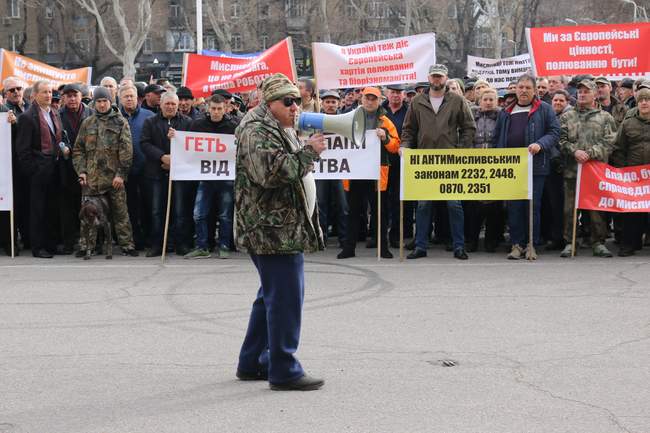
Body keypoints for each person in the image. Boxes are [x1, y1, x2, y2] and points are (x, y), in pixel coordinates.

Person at [235, 73, 327, 391]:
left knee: (270, 297)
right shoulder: (257, 129)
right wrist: (309, 153)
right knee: (286, 298)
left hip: (276, 226)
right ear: (269, 102)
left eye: (297, 101)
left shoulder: (276, 126)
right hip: (271, 230)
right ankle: (284, 368)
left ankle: (253, 361)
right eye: (288, 102)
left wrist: (302, 150)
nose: (294, 107)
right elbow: (271, 174)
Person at [402, 64, 476, 260]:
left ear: (446, 78)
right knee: (424, 205)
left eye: (440, 77)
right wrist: (405, 146)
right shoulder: (417, 101)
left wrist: (461, 150)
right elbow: (409, 130)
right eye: (434, 76)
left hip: (450, 161)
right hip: (424, 161)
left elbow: (469, 127)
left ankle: (459, 246)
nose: (437, 80)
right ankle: (420, 246)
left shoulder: (457, 100)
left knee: (454, 205)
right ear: (429, 77)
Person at [493, 73, 560, 260]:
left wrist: (540, 144)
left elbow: (554, 131)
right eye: (520, 87)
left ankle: (532, 244)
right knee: (514, 206)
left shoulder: (544, 109)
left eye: (527, 88)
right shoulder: (506, 112)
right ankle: (517, 244)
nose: (523, 91)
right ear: (515, 89)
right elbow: (497, 137)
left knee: (533, 206)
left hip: (536, 166)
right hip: (511, 168)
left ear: (534, 90)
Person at [72, 87, 138, 257]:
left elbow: (127, 150)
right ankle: (87, 245)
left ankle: (127, 245)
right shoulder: (87, 123)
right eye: (99, 102)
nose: (102, 105)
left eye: (105, 101)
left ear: (111, 102)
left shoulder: (120, 122)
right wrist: (82, 171)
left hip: (114, 178)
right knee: (89, 214)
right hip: (92, 179)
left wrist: (121, 174)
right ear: (94, 103)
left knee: (120, 212)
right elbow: (78, 150)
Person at [337, 87, 400, 259]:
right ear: (361, 99)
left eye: (374, 99)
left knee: (380, 212)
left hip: (377, 173)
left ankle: (383, 248)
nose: (370, 101)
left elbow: (395, 146)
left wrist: (385, 137)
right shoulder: (349, 119)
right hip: (355, 172)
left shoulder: (385, 122)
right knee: (353, 211)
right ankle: (349, 248)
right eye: (367, 98)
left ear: (379, 100)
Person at [558, 80, 617, 258]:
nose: (582, 94)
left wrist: (590, 153)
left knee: (595, 209)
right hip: (572, 171)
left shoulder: (605, 117)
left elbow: (610, 142)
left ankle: (598, 242)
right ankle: (570, 242)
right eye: (580, 91)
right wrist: (574, 151)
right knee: (569, 209)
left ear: (594, 94)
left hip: (595, 173)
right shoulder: (567, 117)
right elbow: (561, 140)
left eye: (586, 91)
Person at [183, 94, 238, 259]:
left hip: (226, 177)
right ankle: (202, 246)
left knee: (225, 215)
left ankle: (224, 245)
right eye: (213, 108)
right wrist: (174, 138)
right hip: (205, 176)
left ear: (226, 108)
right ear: (208, 108)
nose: (216, 112)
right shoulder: (198, 124)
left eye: (219, 109)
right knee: (199, 213)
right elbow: (187, 144)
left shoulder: (234, 125)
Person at [141, 91, 193, 257]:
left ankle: (180, 243)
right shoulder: (150, 122)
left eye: (173, 104)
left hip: (178, 174)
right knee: (156, 211)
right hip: (156, 172)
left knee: (179, 210)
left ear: (177, 106)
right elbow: (144, 143)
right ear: (161, 105)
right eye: (167, 104)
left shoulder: (186, 122)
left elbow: (191, 145)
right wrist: (162, 157)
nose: (170, 107)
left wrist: (175, 158)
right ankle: (157, 244)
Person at [15, 81, 64, 258]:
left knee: (52, 209)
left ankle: (51, 244)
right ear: (34, 95)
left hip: (54, 169)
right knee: (37, 211)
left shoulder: (55, 113)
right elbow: (23, 150)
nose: (48, 95)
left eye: (50, 92)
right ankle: (38, 247)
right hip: (38, 172)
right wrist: (33, 171)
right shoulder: (28, 117)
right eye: (44, 92)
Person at [610, 88, 650, 256]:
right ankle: (629, 244)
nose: (644, 102)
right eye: (641, 100)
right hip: (633, 176)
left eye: (647, 99)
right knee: (632, 212)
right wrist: (625, 170)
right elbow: (618, 149)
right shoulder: (628, 123)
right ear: (637, 102)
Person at [464, 87, 503, 252]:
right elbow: (466, 138)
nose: (488, 102)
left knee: (494, 206)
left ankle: (491, 240)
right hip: (475, 165)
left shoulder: (502, 118)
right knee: (474, 206)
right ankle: (471, 240)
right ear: (479, 101)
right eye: (485, 99)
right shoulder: (472, 117)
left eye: (491, 99)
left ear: (496, 101)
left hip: (495, 166)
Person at [59, 83, 94, 254]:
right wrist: (62, 146)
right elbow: (55, 138)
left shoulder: (91, 113)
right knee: (67, 207)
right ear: (64, 97)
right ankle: (68, 242)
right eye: (69, 96)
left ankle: (88, 243)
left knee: (88, 206)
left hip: (89, 167)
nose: (72, 99)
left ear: (81, 96)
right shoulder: (57, 115)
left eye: (75, 95)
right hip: (66, 168)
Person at [119, 84, 155, 251]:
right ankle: (135, 239)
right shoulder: (115, 117)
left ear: (138, 98)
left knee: (149, 205)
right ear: (120, 99)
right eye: (125, 96)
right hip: (125, 171)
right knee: (130, 207)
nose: (129, 99)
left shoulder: (149, 116)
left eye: (132, 96)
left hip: (147, 169)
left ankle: (150, 237)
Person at [314, 90, 348, 248]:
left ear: (338, 103)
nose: (330, 105)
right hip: (321, 168)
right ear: (322, 103)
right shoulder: (315, 119)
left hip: (341, 169)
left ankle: (343, 238)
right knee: (321, 204)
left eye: (333, 102)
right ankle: (322, 238)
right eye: (327, 102)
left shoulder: (345, 118)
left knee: (342, 205)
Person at [382, 83, 413, 246]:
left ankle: (395, 235)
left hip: (401, 162)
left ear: (404, 95)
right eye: (393, 92)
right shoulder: (379, 112)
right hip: (381, 162)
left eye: (399, 93)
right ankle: (379, 236)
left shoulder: (409, 112)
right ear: (387, 94)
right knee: (381, 200)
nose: (396, 95)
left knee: (398, 201)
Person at [540, 89, 571, 251]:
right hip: (549, 166)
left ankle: (560, 237)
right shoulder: (548, 116)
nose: (558, 103)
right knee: (549, 204)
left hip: (563, 166)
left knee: (560, 205)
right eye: (555, 100)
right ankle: (551, 235)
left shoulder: (569, 118)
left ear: (567, 102)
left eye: (561, 100)